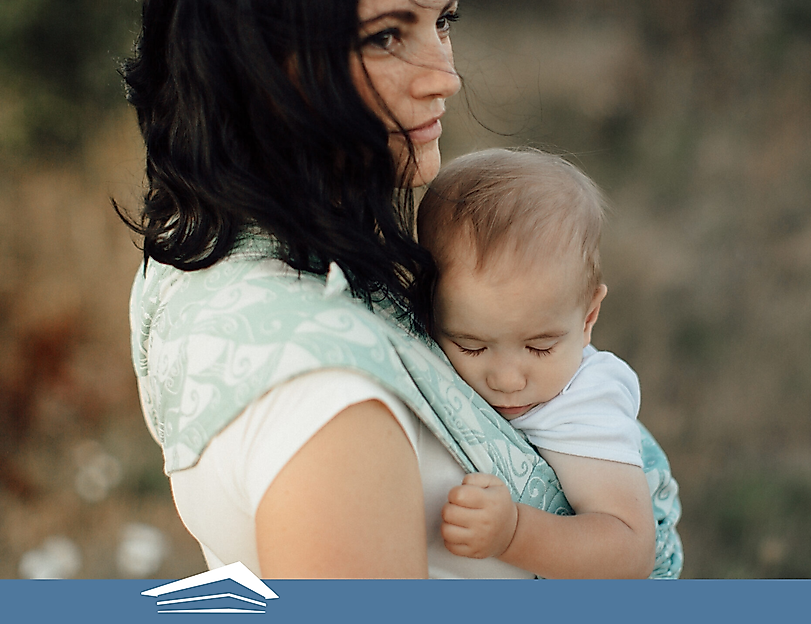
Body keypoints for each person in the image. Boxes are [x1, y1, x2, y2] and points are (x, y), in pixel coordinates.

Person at [121, 0, 681, 579]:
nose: (446, 76)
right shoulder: (329, 405)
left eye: (443, 21)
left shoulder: (190, 251)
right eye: (387, 34)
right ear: (254, 54)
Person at [417, 148, 664, 578]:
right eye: (471, 346)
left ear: (588, 318)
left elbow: (631, 552)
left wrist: (513, 534)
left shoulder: (587, 403)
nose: (508, 380)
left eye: (539, 347)